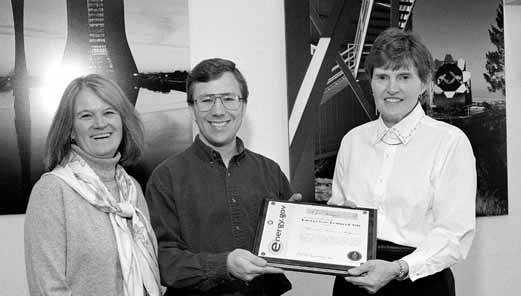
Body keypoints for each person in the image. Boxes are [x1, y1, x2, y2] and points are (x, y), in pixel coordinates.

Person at [327, 28, 476, 295]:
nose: (392, 88)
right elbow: (338, 207)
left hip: (419, 282)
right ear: (370, 82)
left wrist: (399, 268)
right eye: (382, 77)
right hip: (354, 280)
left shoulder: (450, 142)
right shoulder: (352, 141)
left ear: (424, 83)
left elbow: (454, 234)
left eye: (404, 77)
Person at [146, 58, 300, 296]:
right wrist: (224, 264)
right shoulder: (166, 177)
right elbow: (163, 260)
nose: (218, 110)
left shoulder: (270, 171)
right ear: (191, 109)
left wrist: (324, 221)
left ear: (244, 105)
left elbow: (292, 245)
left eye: (229, 98)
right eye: (206, 100)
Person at [24, 74, 162, 296]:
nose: (100, 124)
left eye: (109, 112)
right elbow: (47, 288)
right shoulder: (52, 191)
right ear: (70, 129)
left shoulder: (131, 189)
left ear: (123, 122)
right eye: (86, 116)